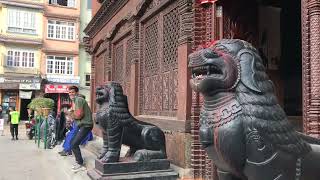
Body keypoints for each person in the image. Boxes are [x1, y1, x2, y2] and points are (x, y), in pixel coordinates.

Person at [65, 86, 93, 172]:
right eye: (69, 93)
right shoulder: (75, 101)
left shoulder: (79, 100)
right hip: (81, 125)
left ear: (77, 93)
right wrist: (72, 115)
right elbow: (77, 115)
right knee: (72, 142)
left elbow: (79, 115)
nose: (71, 94)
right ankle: (79, 161)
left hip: (86, 125)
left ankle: (80, 164)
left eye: (72, 92)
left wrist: (70, 114)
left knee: (74, 144)